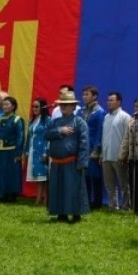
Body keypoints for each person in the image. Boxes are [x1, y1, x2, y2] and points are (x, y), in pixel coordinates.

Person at [45, 88, 90, 222]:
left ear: (73, 106)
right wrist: (60, 131)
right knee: (57, 188)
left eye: (66, 104)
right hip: (57, 161)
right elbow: (46, 134)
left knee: (73, 188)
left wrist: (82, 163)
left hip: (72, 162)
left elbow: (84, 143)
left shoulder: (79, 122)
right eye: (62, 104)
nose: (63, 107)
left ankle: (76, 214)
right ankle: (61, 214)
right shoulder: (55, 122)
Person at [0, 96, 26, 202]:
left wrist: (18, 153)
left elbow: (20, 137)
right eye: (3, 104)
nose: (4, 106)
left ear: (13, 106)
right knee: (0, 173)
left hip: (11, 150)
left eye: (7, 104)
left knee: (12, 173)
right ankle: (2, 194)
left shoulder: (17, 119)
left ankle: (12, 195)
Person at [100, 92, 130, 210]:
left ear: (119, 102)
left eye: (112, 100)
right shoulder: (106, 117)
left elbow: (127, 137)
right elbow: (104, 137)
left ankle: (126, 205)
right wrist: (102, 154)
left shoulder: (125, 117)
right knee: (109, 184)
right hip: (107, 155)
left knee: (123, 183)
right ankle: (112, 204)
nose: (109, 102)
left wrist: (123, 155)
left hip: (119, 156)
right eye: (108, 100)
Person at [82, 86, 106, 210]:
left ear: (94, 96)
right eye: (83, 94)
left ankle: (97, 201)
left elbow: (100, 132)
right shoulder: (82, 111)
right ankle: (86, 200)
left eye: (87, 94)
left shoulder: (100, 112)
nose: (84, 97)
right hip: (83, 146)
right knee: (85, 175)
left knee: (95, 175)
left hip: (93, 146)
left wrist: (97, 149)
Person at [25, 98, 49, 206]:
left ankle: (46, 198)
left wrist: (46, 152)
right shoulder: (32, 120)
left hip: (42, 150)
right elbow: (28, 137)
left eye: (36, 106)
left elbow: (48, 137)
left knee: (44, 176)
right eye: (33, 106)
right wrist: (26, 152)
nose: (34, 109)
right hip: (32, 150)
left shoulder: (48, 120)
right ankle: (38, 198)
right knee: (37, 176)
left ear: (42, 108)